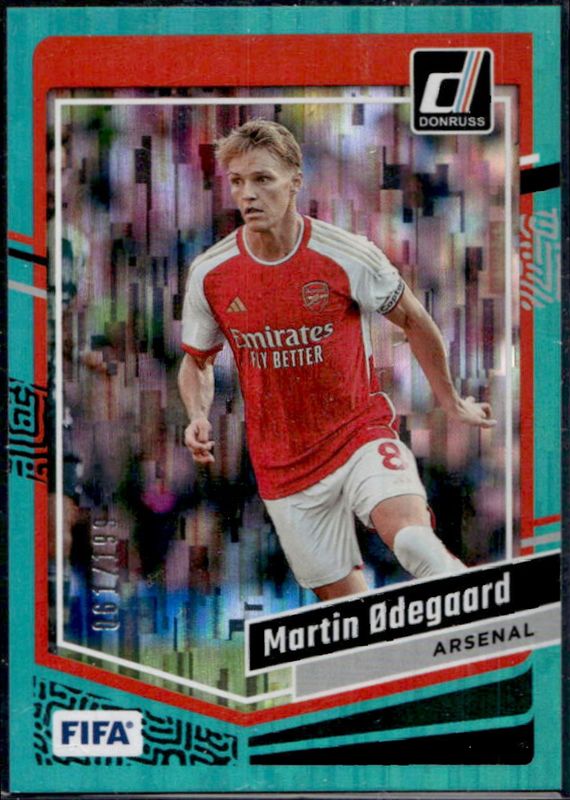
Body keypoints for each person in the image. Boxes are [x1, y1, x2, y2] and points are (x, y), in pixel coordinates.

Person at [178, 119, 496, 601]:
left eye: (263, 179)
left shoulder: (347, 254)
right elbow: (197, 362)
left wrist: (451, 401)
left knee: (413, 541)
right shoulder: (211, 273)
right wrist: (197, 414)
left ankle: (468, 612)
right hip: (283, 466)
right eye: (238, 181)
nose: (248, 194)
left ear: (295, 182)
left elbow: (415, 320)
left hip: (358, 435)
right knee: (349, 612)